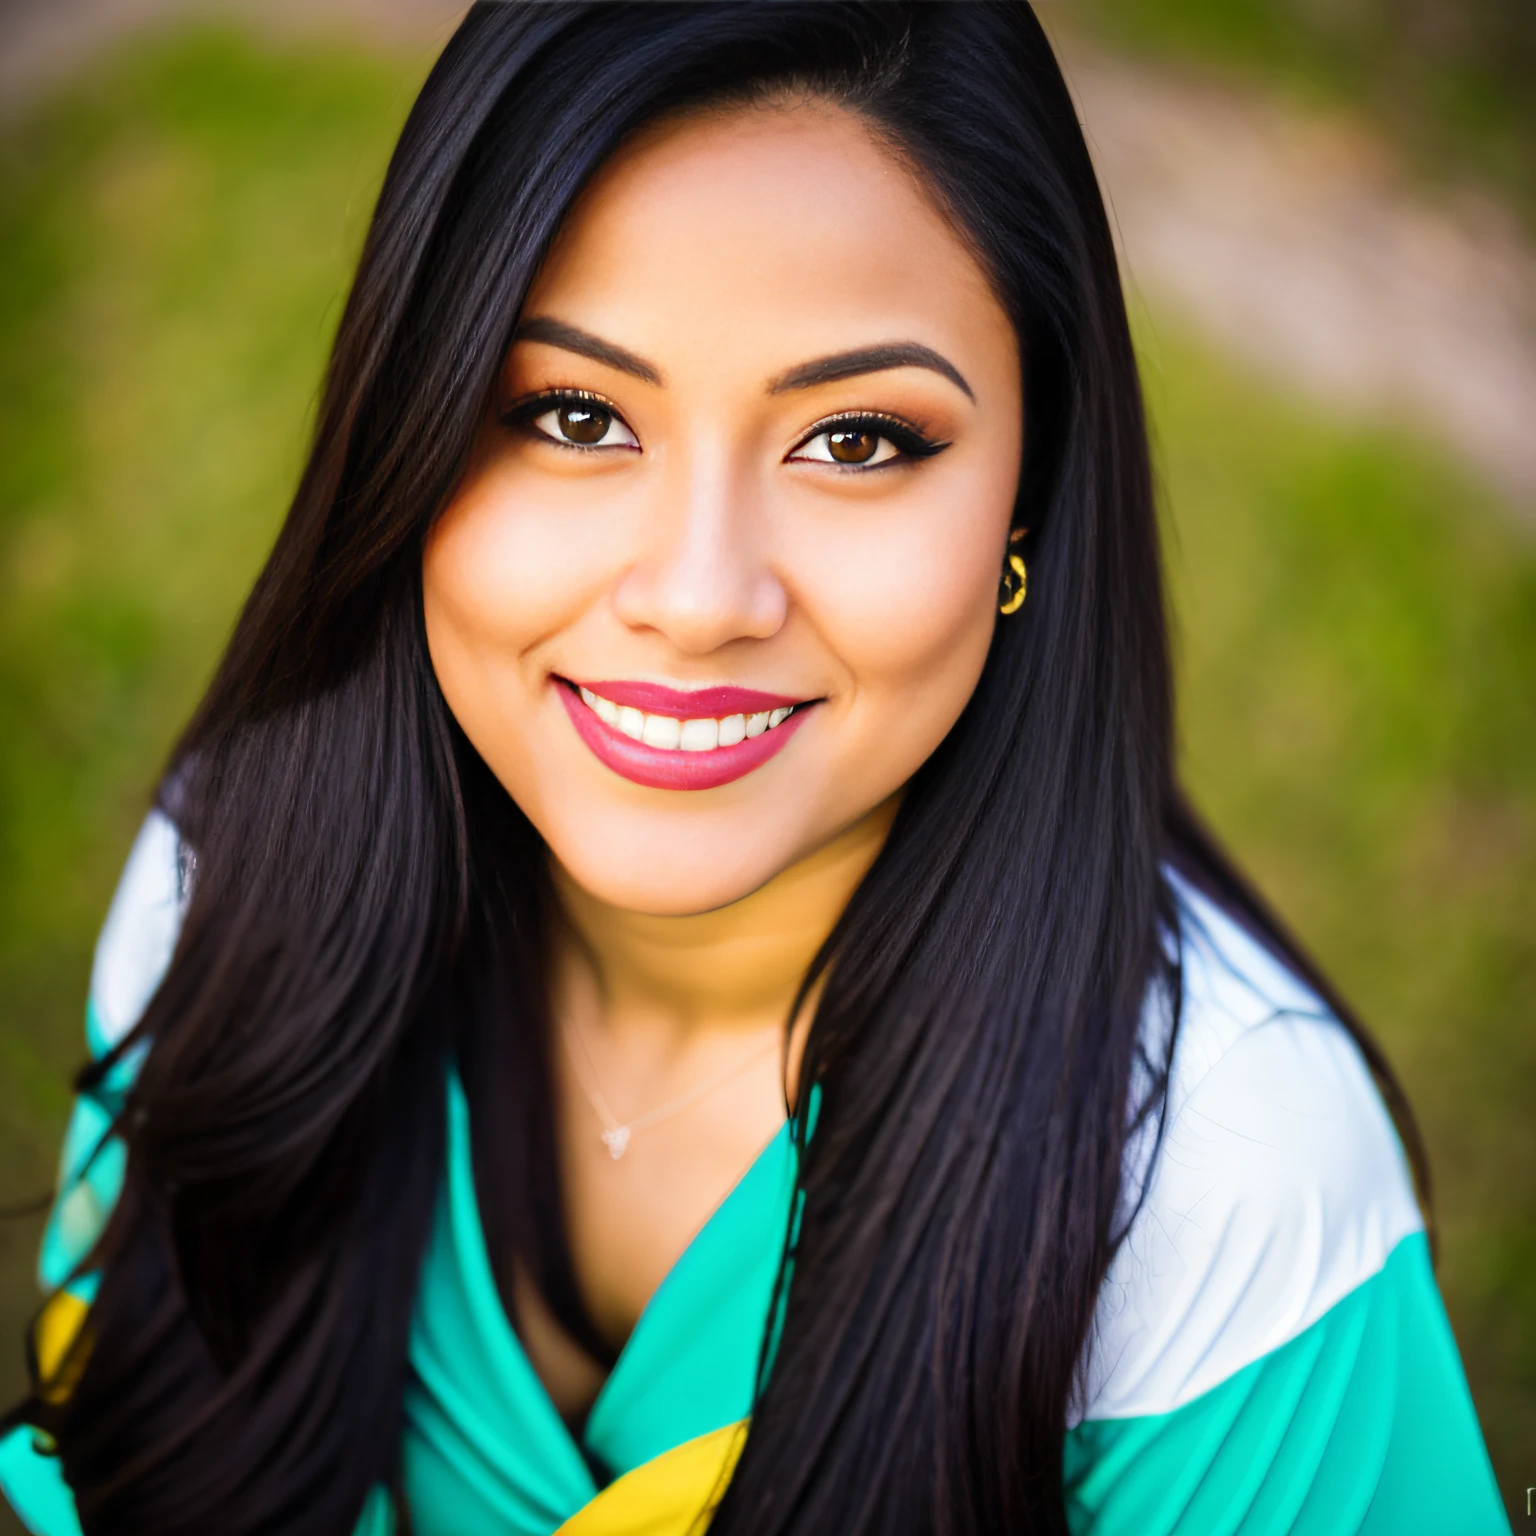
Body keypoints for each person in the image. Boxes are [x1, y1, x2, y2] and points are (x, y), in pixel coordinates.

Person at [0, 4, 1511, 1533]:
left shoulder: (1215, 1188)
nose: (702, 594)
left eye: (856, 441)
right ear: (411, 429)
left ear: (1030, 497)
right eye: (575, 415)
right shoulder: (232, 891)